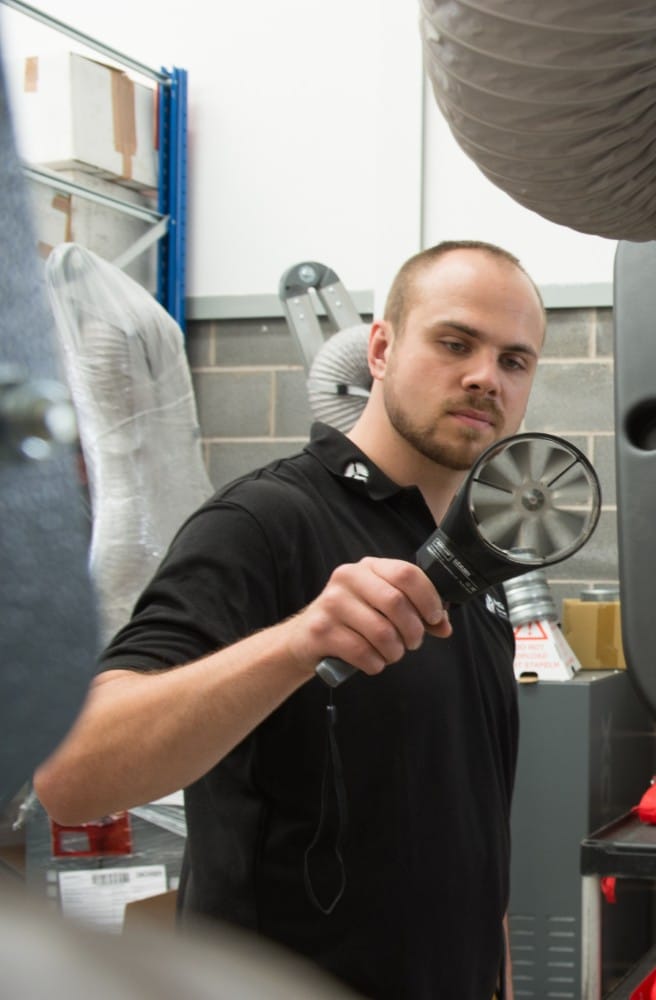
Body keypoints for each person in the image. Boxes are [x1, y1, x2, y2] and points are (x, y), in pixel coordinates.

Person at [32, 240, 547, 1000]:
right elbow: (73, 776)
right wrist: (299, 641)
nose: (483, 377)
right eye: (454, 343)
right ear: (380, 347)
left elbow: (466, 827)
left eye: (514, 360)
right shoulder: (263, 523)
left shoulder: (473, 569)